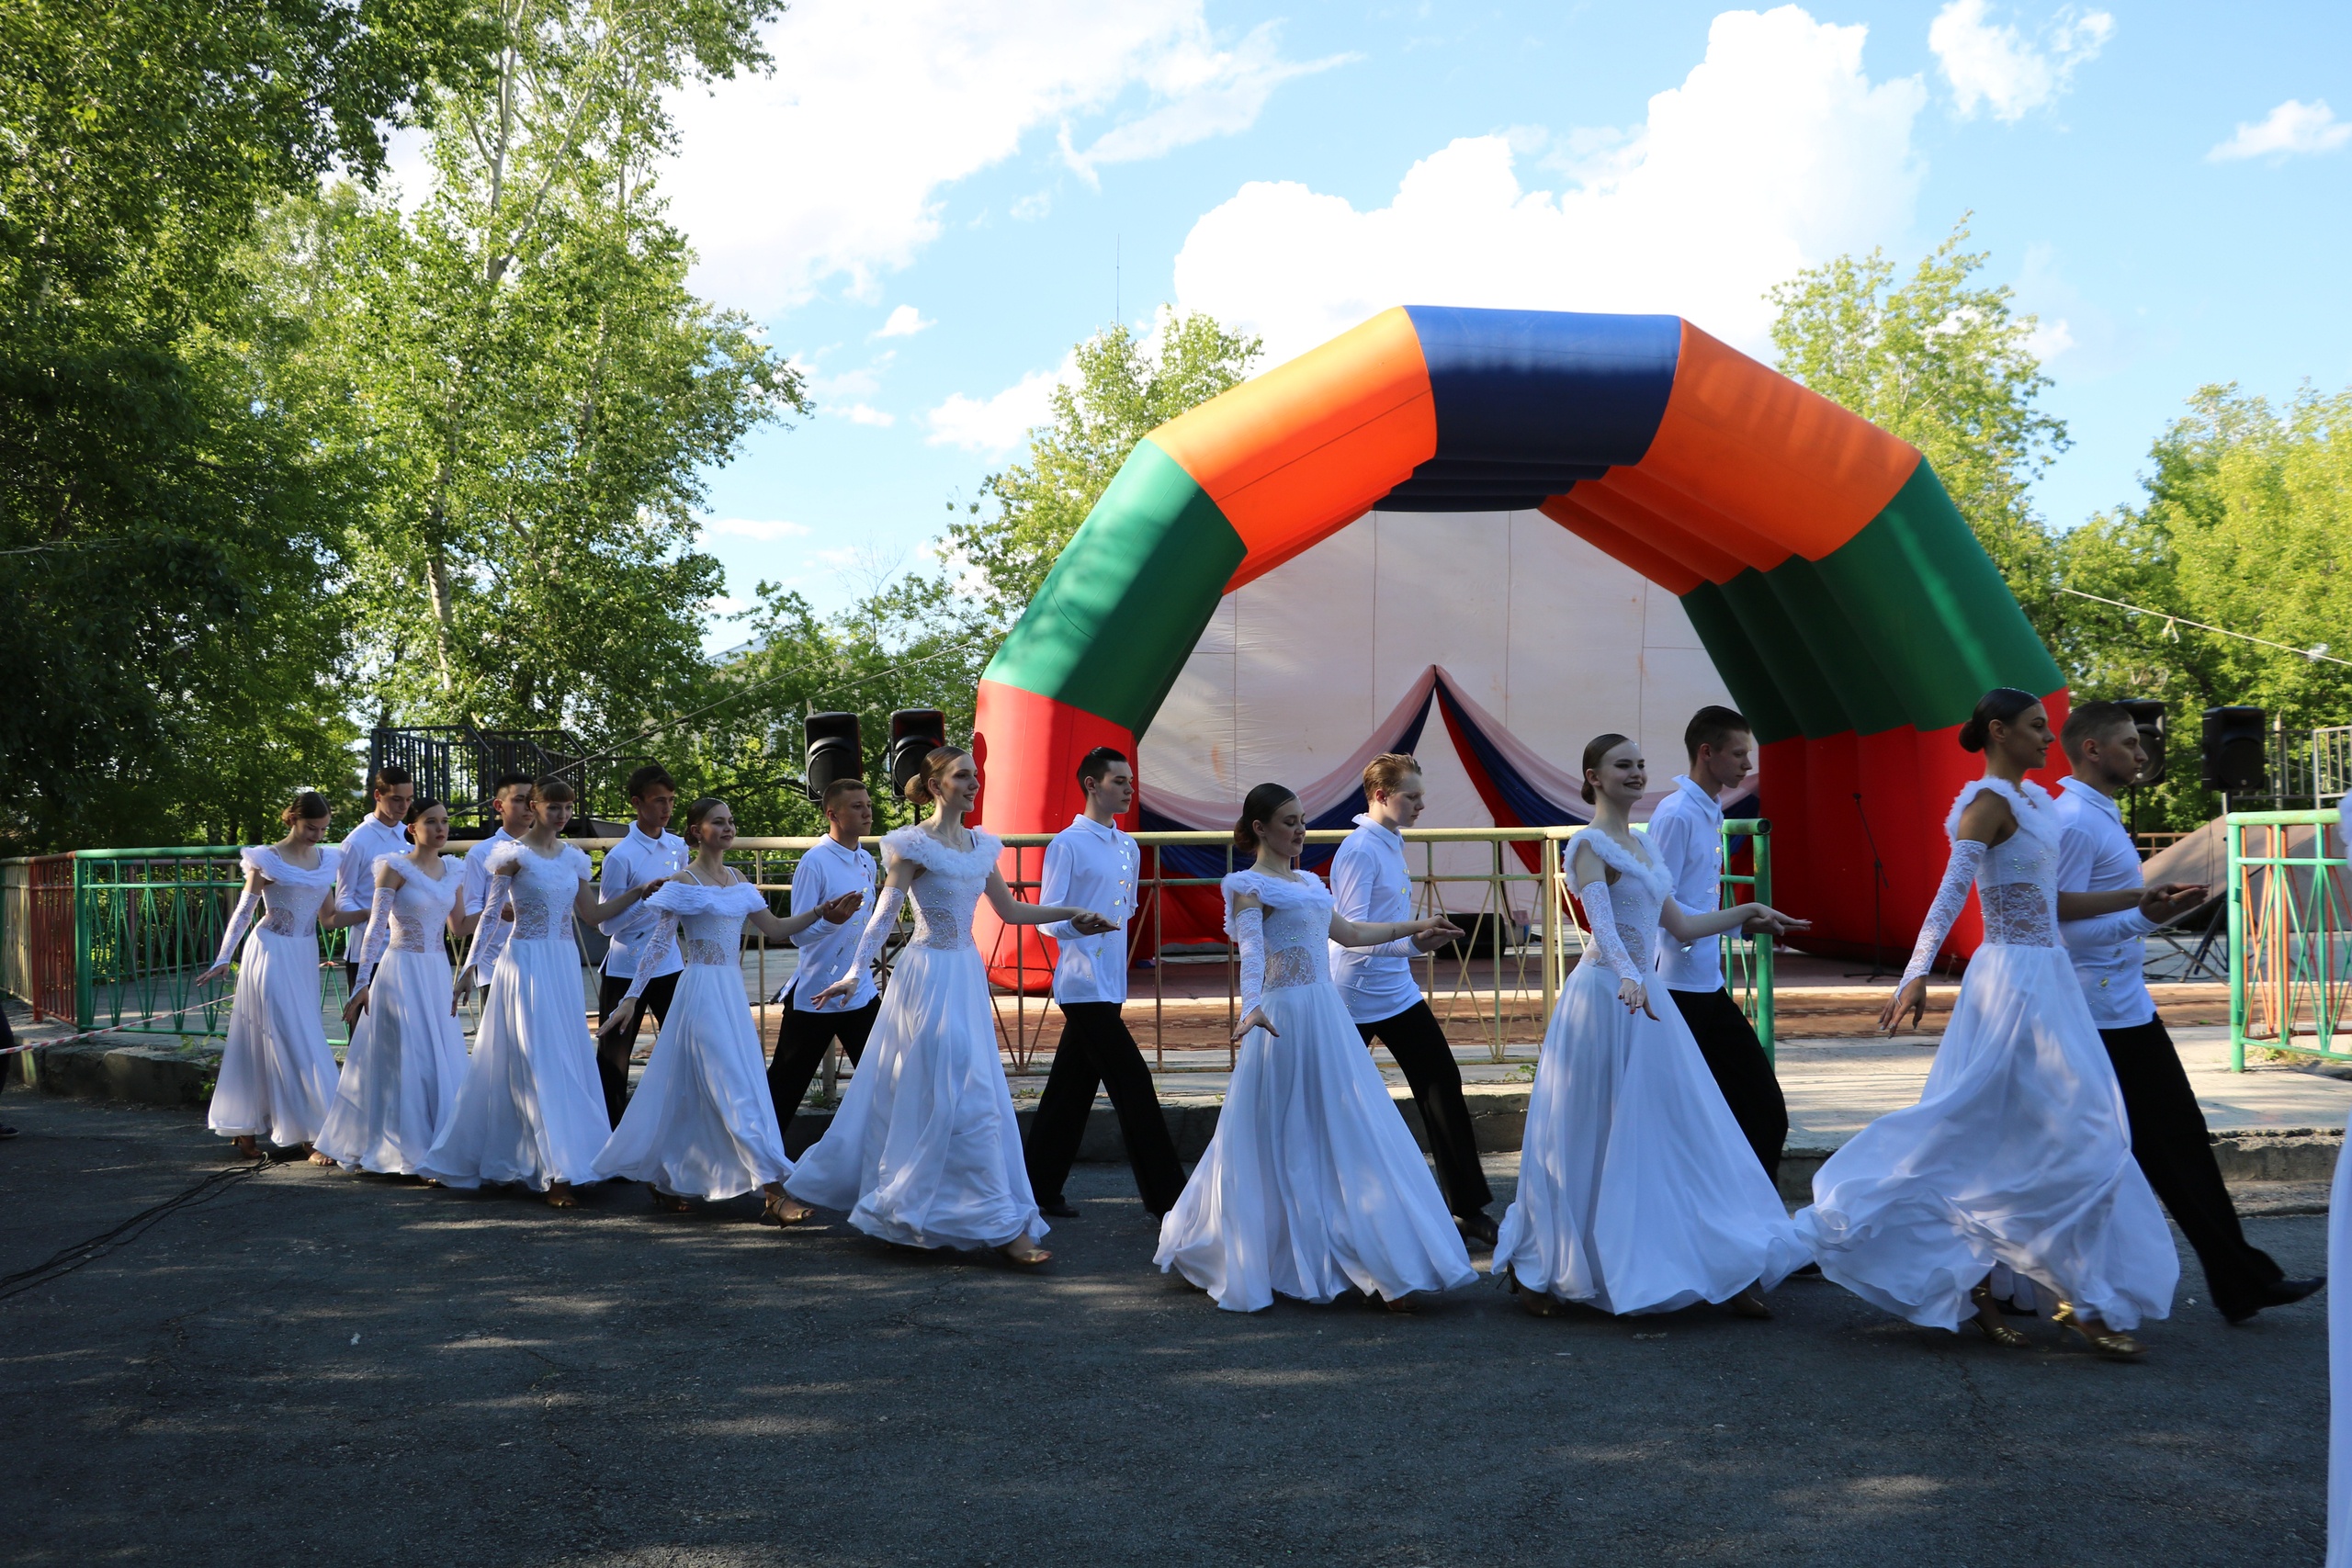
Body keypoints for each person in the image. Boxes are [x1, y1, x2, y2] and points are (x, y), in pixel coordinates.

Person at [1797, 688, 2182, 1358]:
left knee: (2052, 1131)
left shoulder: (2035, 805)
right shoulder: (1988, 805)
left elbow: (2051, 897)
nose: (2046, 738)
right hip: (2013, 982)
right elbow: (1951, 892)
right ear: (1999, 732)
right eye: (2036, 728)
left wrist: (2139, 895)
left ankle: (2028, 1283)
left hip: (2051, 975)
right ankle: (2079, 1297)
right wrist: (1916, 970)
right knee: (2064, 1129)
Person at [1491, 735, 1811, 1320]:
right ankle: (1547, 1265)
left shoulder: (1640, 844)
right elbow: (1602, 926)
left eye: (1640, 764)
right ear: (1593, 776)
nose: (1637, 773)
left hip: (1646, 993)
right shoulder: (1587, 844)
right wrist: (1627, 976)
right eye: (1623, 765)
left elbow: (1683, 926)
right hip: (1605, 997)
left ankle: (1721, 1261)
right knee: (1586, 1128)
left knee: (1682, 1123)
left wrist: (1748, 913)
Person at [1155, 782, 1477, 1314]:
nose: (1300, 829)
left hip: (1326, 1013)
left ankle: (1381, 1260)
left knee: (1349, 1126)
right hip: (1279, 1017)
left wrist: (1413, 937)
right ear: (1259, 828)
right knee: (1275, 1132)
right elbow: (1253, 953)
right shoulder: (1245, 883)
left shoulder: (1308, 880)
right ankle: (1265, 1244)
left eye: (1302, 820)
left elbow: (1349, 934)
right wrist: (1249, 1008)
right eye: (1289, 821)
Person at [786, 745, 1114, 1265]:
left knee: (972, 1089)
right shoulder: (912, 846)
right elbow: (882, 915)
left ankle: (987, 1218)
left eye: (976, 775)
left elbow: (1009, 909)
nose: (973, 783)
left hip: (964, 973)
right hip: (925, 976)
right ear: (937, 786)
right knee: (946, 1088)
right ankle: (975, 1222)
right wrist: (854, 973)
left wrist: (1074, 915)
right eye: (963, 775)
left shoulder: (982, 846)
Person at [2056, 701, 2318, 1323]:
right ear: (2093, 749)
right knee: (2104, 1151)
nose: (2141, 753)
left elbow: (2104, 918)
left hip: (2123, 1010)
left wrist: (2154, 913)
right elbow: (2057, 926)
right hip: (2093, 1019)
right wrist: (2146, 915)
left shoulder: (2097, 812)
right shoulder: (2072, 820)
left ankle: (2240, 1279)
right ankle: (2000, 1274)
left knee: (2178, 1146)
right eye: (2128, 743)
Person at [594, 797, 863, 1223]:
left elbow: (776, 928)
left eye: (731, 821)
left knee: (699, 1089)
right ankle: (773, 1193)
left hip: (732, 997)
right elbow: (659, 944)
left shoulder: (739, 880)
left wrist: (822, 914)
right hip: (699, 992)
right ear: (696, 831)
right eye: (717, 822)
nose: (727, 828)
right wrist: (631, 998)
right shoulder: (683, 881)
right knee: (736, 1088)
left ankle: (663, 1177)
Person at [421, 779, 670, 1206]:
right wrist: (469, 968)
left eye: (568, 807)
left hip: (562, 966)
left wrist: (636, 892)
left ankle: (565, 1160)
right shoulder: (512, 856)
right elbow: (491, 918)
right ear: (534, 807)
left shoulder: (574, 858)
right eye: (553, 807)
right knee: (534, 1060)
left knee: (564, 1057)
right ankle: (551, 1172)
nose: (562, 815)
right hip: (525, 964)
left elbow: (593, 916)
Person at [1327, 754, 1497, 1245]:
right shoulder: (1360, 849)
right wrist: (1410, 937)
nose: (1422, 804)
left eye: (1421, 795)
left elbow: (1383, 928)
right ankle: (1309, 1202)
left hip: (1395, 989)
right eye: (1412, 796)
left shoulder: (1389, 841)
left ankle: (1467, 1206)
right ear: (1381, 795)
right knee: (1331, 1100)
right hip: (1353, 993)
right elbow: (1351, 935)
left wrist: (1415, 943)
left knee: (1441, 1082)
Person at [1023, 747, 1185, 1220]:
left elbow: (1125, 913)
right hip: (1080, 985)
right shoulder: (1067, 844)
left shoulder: (1129, 846)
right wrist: (1077, 924)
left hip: (1110, 985)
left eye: (1130, 780)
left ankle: (1039, 1188)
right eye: (1119, 781)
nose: (1128, 788)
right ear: (1092, 785)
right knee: (1133, 1083)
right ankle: (1171, 1201)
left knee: (1069, 1092)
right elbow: (1046, 919)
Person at [1644, 707, 1790, 1182]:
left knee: (1762, 1108)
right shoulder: (1676, 814)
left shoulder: (1709, 810)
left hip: (1705, 983)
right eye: (1738, 753)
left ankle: (1754, 1225)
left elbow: (1695, 901)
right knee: (1688, 1119)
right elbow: (1658, 909)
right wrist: (1745, 915)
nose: (1747, 764)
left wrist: (1743, 927)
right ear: (1707, 753)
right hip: (1673, 989)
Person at [317, 797, 472, 1175]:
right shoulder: (394, 868)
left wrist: (509, 912)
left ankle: (439, 1145)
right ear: (412, 828)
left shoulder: (454, 870)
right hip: (400, 970)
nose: (441, 829)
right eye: (431, 822)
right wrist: (363, 982)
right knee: (406, 1055)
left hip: (436, 971)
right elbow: (374, 928)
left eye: (445, 822)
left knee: (439, 1056)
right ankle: (400, 1148)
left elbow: (460, 926)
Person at [195, 793, 350, 1161]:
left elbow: (329, 918)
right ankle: (312, 1132)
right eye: (311, 827)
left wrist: (378, 911)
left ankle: (246, 1128)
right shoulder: (266, 859)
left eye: (324, 828)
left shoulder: (327, 858)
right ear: (292, 819)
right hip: (270, 952)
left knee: (292, 1032)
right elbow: (245, 911)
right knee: (286, 1034)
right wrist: (223, 956)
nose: (317, 835)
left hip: (303, 953)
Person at [764, 778, 881, 1146]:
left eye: (867, 804)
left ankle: (882, 1160)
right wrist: (828, 922)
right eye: (857, 806)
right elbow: (795, 934)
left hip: (859, 990)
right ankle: (758, 1163)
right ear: (833, 814)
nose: (867, 812)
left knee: (884, 1077)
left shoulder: (867, 859)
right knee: (785, 1085)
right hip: (817, 994)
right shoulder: (814, 862)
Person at [593, 764, 688, 1126]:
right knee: (614, 1060)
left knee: (682, 1047)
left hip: (668, 962)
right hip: (626, 964)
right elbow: (605, 924)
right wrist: (643, 898)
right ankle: (609, 1138)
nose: (666, 808)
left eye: (671, 800)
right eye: (658, 800)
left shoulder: (679, 846)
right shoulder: (621, 856)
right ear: (637, 803)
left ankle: (675, 1128)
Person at [334, 765, 414, 991]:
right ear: (378, 795)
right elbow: (342, 898)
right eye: (397, 799)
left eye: (409, 800)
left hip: (405, 950)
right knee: (364, 1023)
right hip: (366, 952)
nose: (404, 806)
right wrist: (375, 923)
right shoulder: (356, 841)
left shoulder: (410, 835)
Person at [460, 773, 537, 919]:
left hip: (540, 940)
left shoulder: (546, 849)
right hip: (496, 941)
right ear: (499, 805)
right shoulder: (480, 853)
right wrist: (496, 912)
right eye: (519, 800)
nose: (528, 807)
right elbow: (471, 905)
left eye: (532, 800)